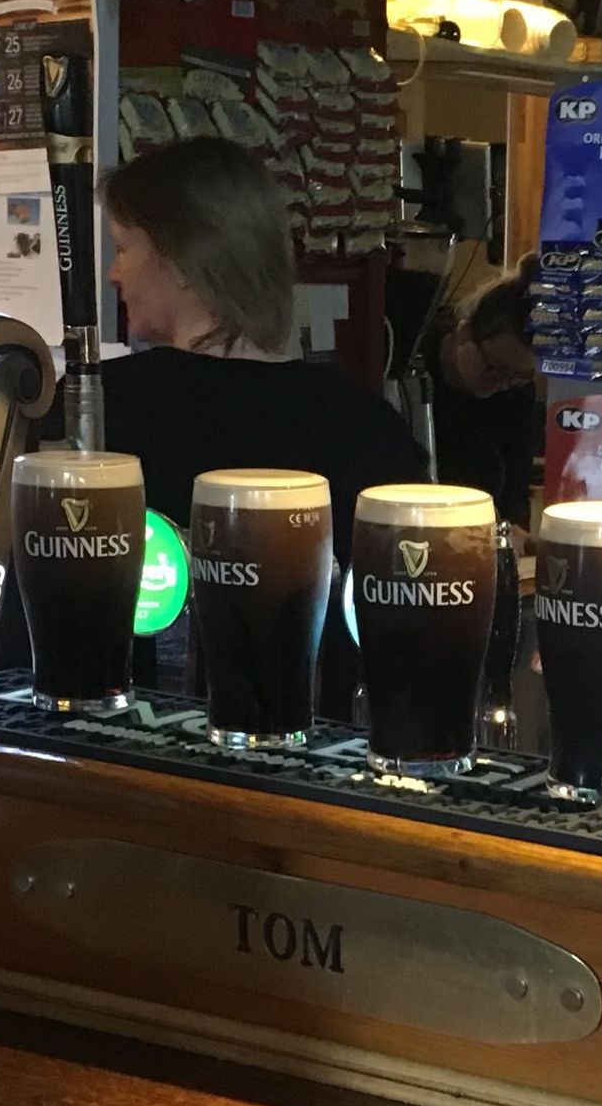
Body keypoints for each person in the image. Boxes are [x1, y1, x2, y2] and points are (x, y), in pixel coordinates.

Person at [98, 137, 427, 715]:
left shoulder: (102, 409)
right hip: (321, 764)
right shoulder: (368, 426)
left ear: (179, 261)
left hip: (134, 755)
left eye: (124, 247)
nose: (112, 272)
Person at [421, 257, 541, 533]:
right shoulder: (415, 375)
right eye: (495, 369)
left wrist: (513, 528)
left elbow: (516, 483)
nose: (503, 383)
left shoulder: (516, 393)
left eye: (516, 376)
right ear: (463, 333)